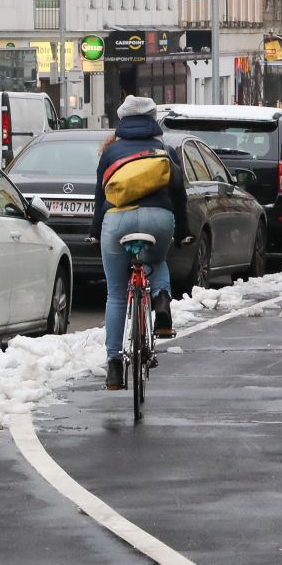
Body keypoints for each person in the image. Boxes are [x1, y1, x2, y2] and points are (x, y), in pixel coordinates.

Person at [95, 94, 190, 392]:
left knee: (115, 294)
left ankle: (113, 365)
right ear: (153, 121)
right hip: (159, 220)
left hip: (117, 222)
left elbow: (101, 198)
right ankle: (161, 300)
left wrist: (94, 229)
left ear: (122, 121)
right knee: (157, 259)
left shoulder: (111, 153)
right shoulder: (165, 150)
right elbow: (179, 196)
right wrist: (184, 230)